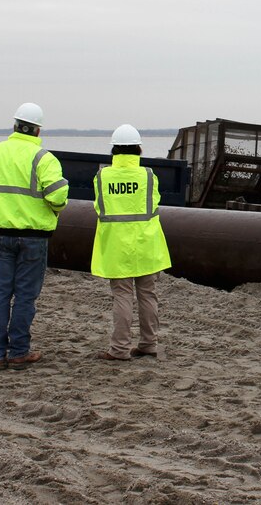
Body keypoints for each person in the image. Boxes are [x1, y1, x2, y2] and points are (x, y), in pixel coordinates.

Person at [0, 103, 69, 370]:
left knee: (0, 293)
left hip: (1, 235)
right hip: (34, 237)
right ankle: (19, 351)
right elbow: (57, 195)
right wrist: (53, 210)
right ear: (38, 129)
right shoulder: (43, 158)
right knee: (24, 296)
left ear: (14, 125)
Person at [90, 123, 171, 362]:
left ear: (114, 150)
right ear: (139, 149)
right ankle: (149, 344)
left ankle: (119, 349)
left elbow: (99, 207)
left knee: (122, 296)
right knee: (147, 295)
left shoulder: (102, 176)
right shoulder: (148, 175)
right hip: (146, 244)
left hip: (116, 246)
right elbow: (153, 202)